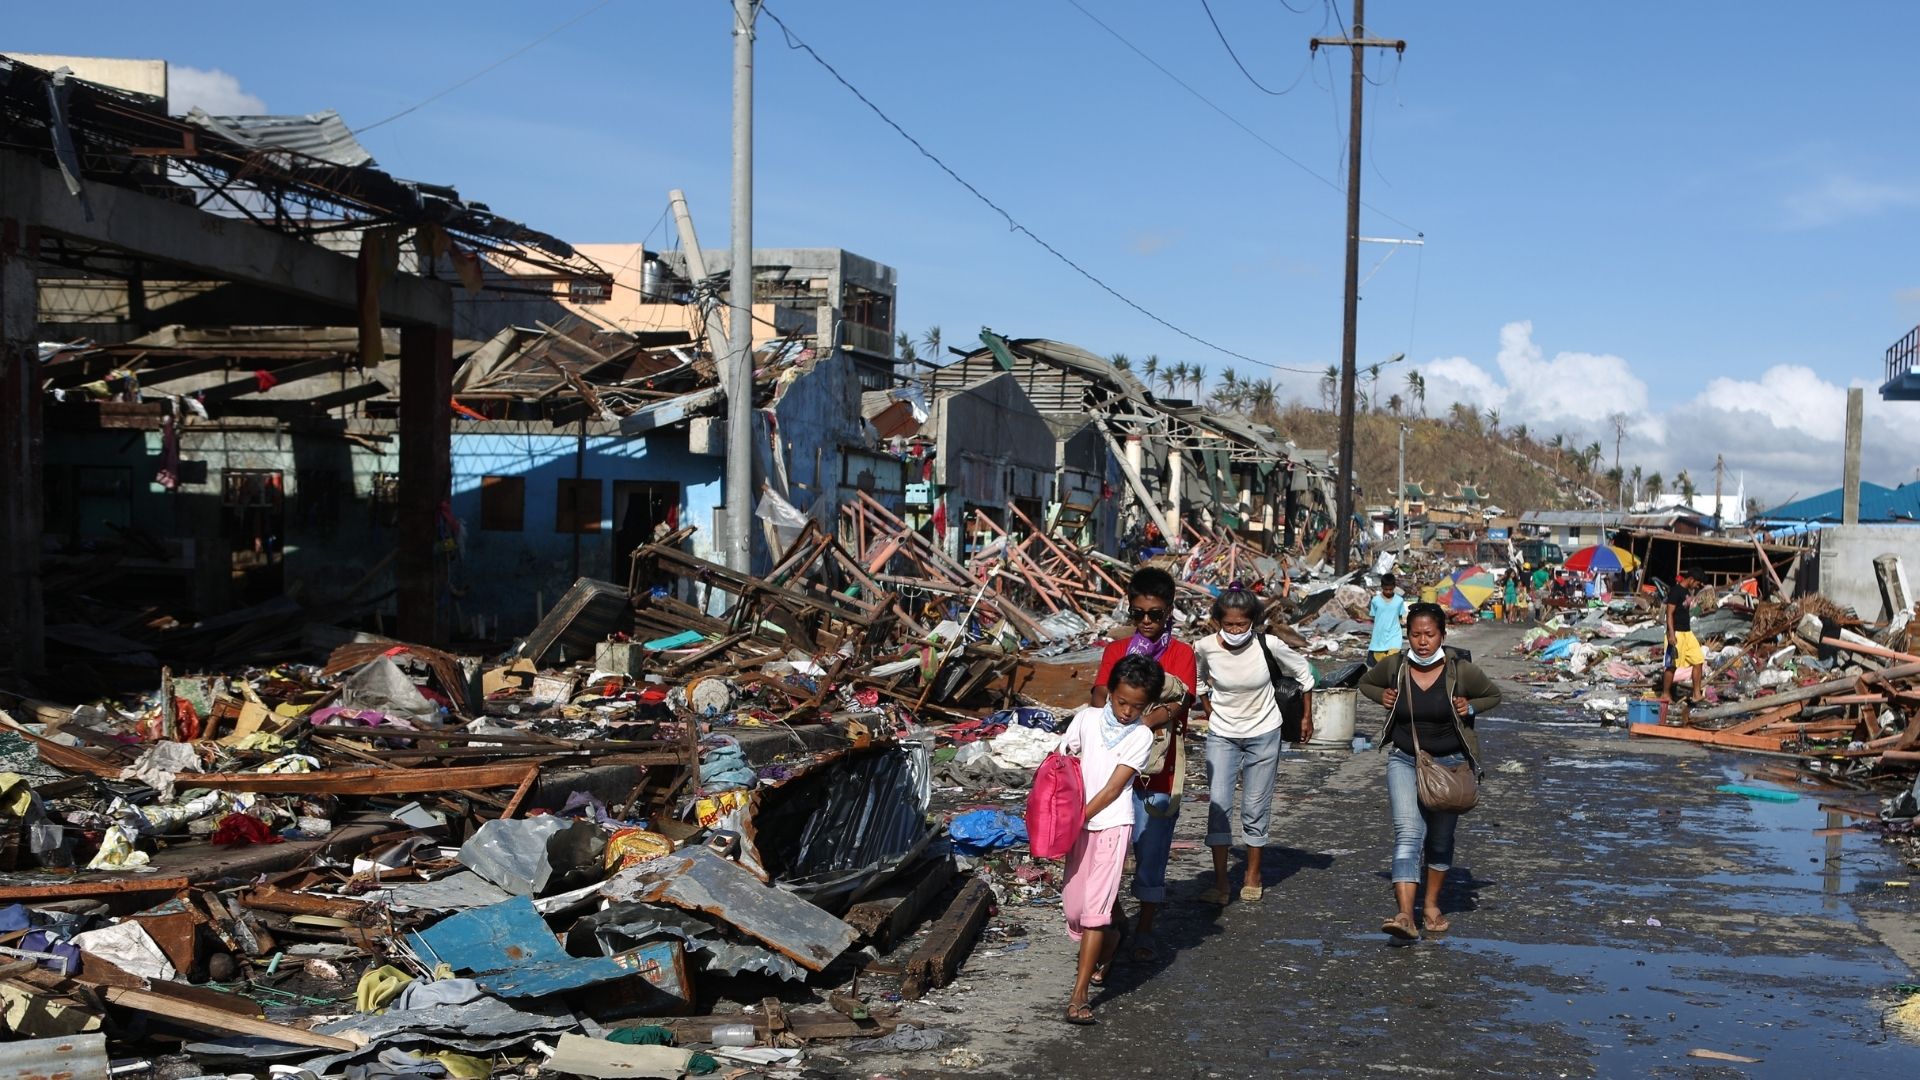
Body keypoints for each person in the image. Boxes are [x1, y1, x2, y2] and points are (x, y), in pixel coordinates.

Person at [1358, 602, 1502, 940]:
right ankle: (1405, 914)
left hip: (1451, 764)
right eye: (1416, 634)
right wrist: (1384, 696)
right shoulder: (1396, 666)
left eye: (1430, 634)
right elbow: (1366, 682)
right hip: (1405, 759)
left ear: (1443, 635)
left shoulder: (1460, 670)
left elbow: (1492, 694)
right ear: (1407, 635)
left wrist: (1471, 706)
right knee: (1408, 834)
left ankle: (1432, 905)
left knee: (1440, 838)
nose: (1423, 641)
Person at [1089, 568, 1194, 960]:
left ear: (1169, 611)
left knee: (1151, 851)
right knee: (1107, 854)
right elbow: (1100, 699)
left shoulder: (1182, 654)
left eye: (1155, 613)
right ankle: (1112, 920)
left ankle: (1146, 928)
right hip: (1111, 770)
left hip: (1156, 772)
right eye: (1139, 613)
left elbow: (1179, 703)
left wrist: (1138, 723)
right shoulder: (1115, 651)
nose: (1147, 621)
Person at [1193, 588, 1315, 905]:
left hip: (1264, 731)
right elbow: (1199, 681)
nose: (1235, 631)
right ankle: (1221, 883)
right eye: (1229, 625)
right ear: (1218, 622)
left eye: (1242, 624)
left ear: (1253, 622)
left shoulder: (1268, 644)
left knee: (1255, 806)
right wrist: (1209, 711)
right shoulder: (1204, 647)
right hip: (1222, 734)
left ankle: (1252, 874)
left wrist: (1307, 716)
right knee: (1218, 805)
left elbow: (1304, 672)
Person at [1059, 654, 1161, 1025]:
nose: (1127, 711)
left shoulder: (1141, 735)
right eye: (1121, 702)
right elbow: (1062, 760)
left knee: (1093, 915)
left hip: (1112, 825)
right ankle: (1114, 939)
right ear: (1109, 692)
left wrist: (1077, 816)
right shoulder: (1085, 719)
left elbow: (1115, 787)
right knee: (1074, 909)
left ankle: (1079, 994)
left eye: (1137, 706)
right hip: (1077, 827)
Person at [1664, 570, 1706, 704]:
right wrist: (1671, 634)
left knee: (1698, 660)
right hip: (1676, 632)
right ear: (1692, 579)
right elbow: (1669, 613)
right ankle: (1665, 694)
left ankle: (1696, 694)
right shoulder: (1675, 591)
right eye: (1697, 583)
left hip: (1687, 633)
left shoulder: (1687, 592)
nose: (1697, 586)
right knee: (1672, 665)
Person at [1368, 574, 1408, 663]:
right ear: (1382, 587)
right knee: (1378, 662)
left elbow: (1400, 617)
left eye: (1390, 589)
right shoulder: (1375, 601)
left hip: (1394, 634)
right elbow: (1374, 616)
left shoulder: (1399, 601)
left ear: (1394, 587)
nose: (1388, 591)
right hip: (1379, 635)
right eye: (1386, 589)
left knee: (1393, 660)